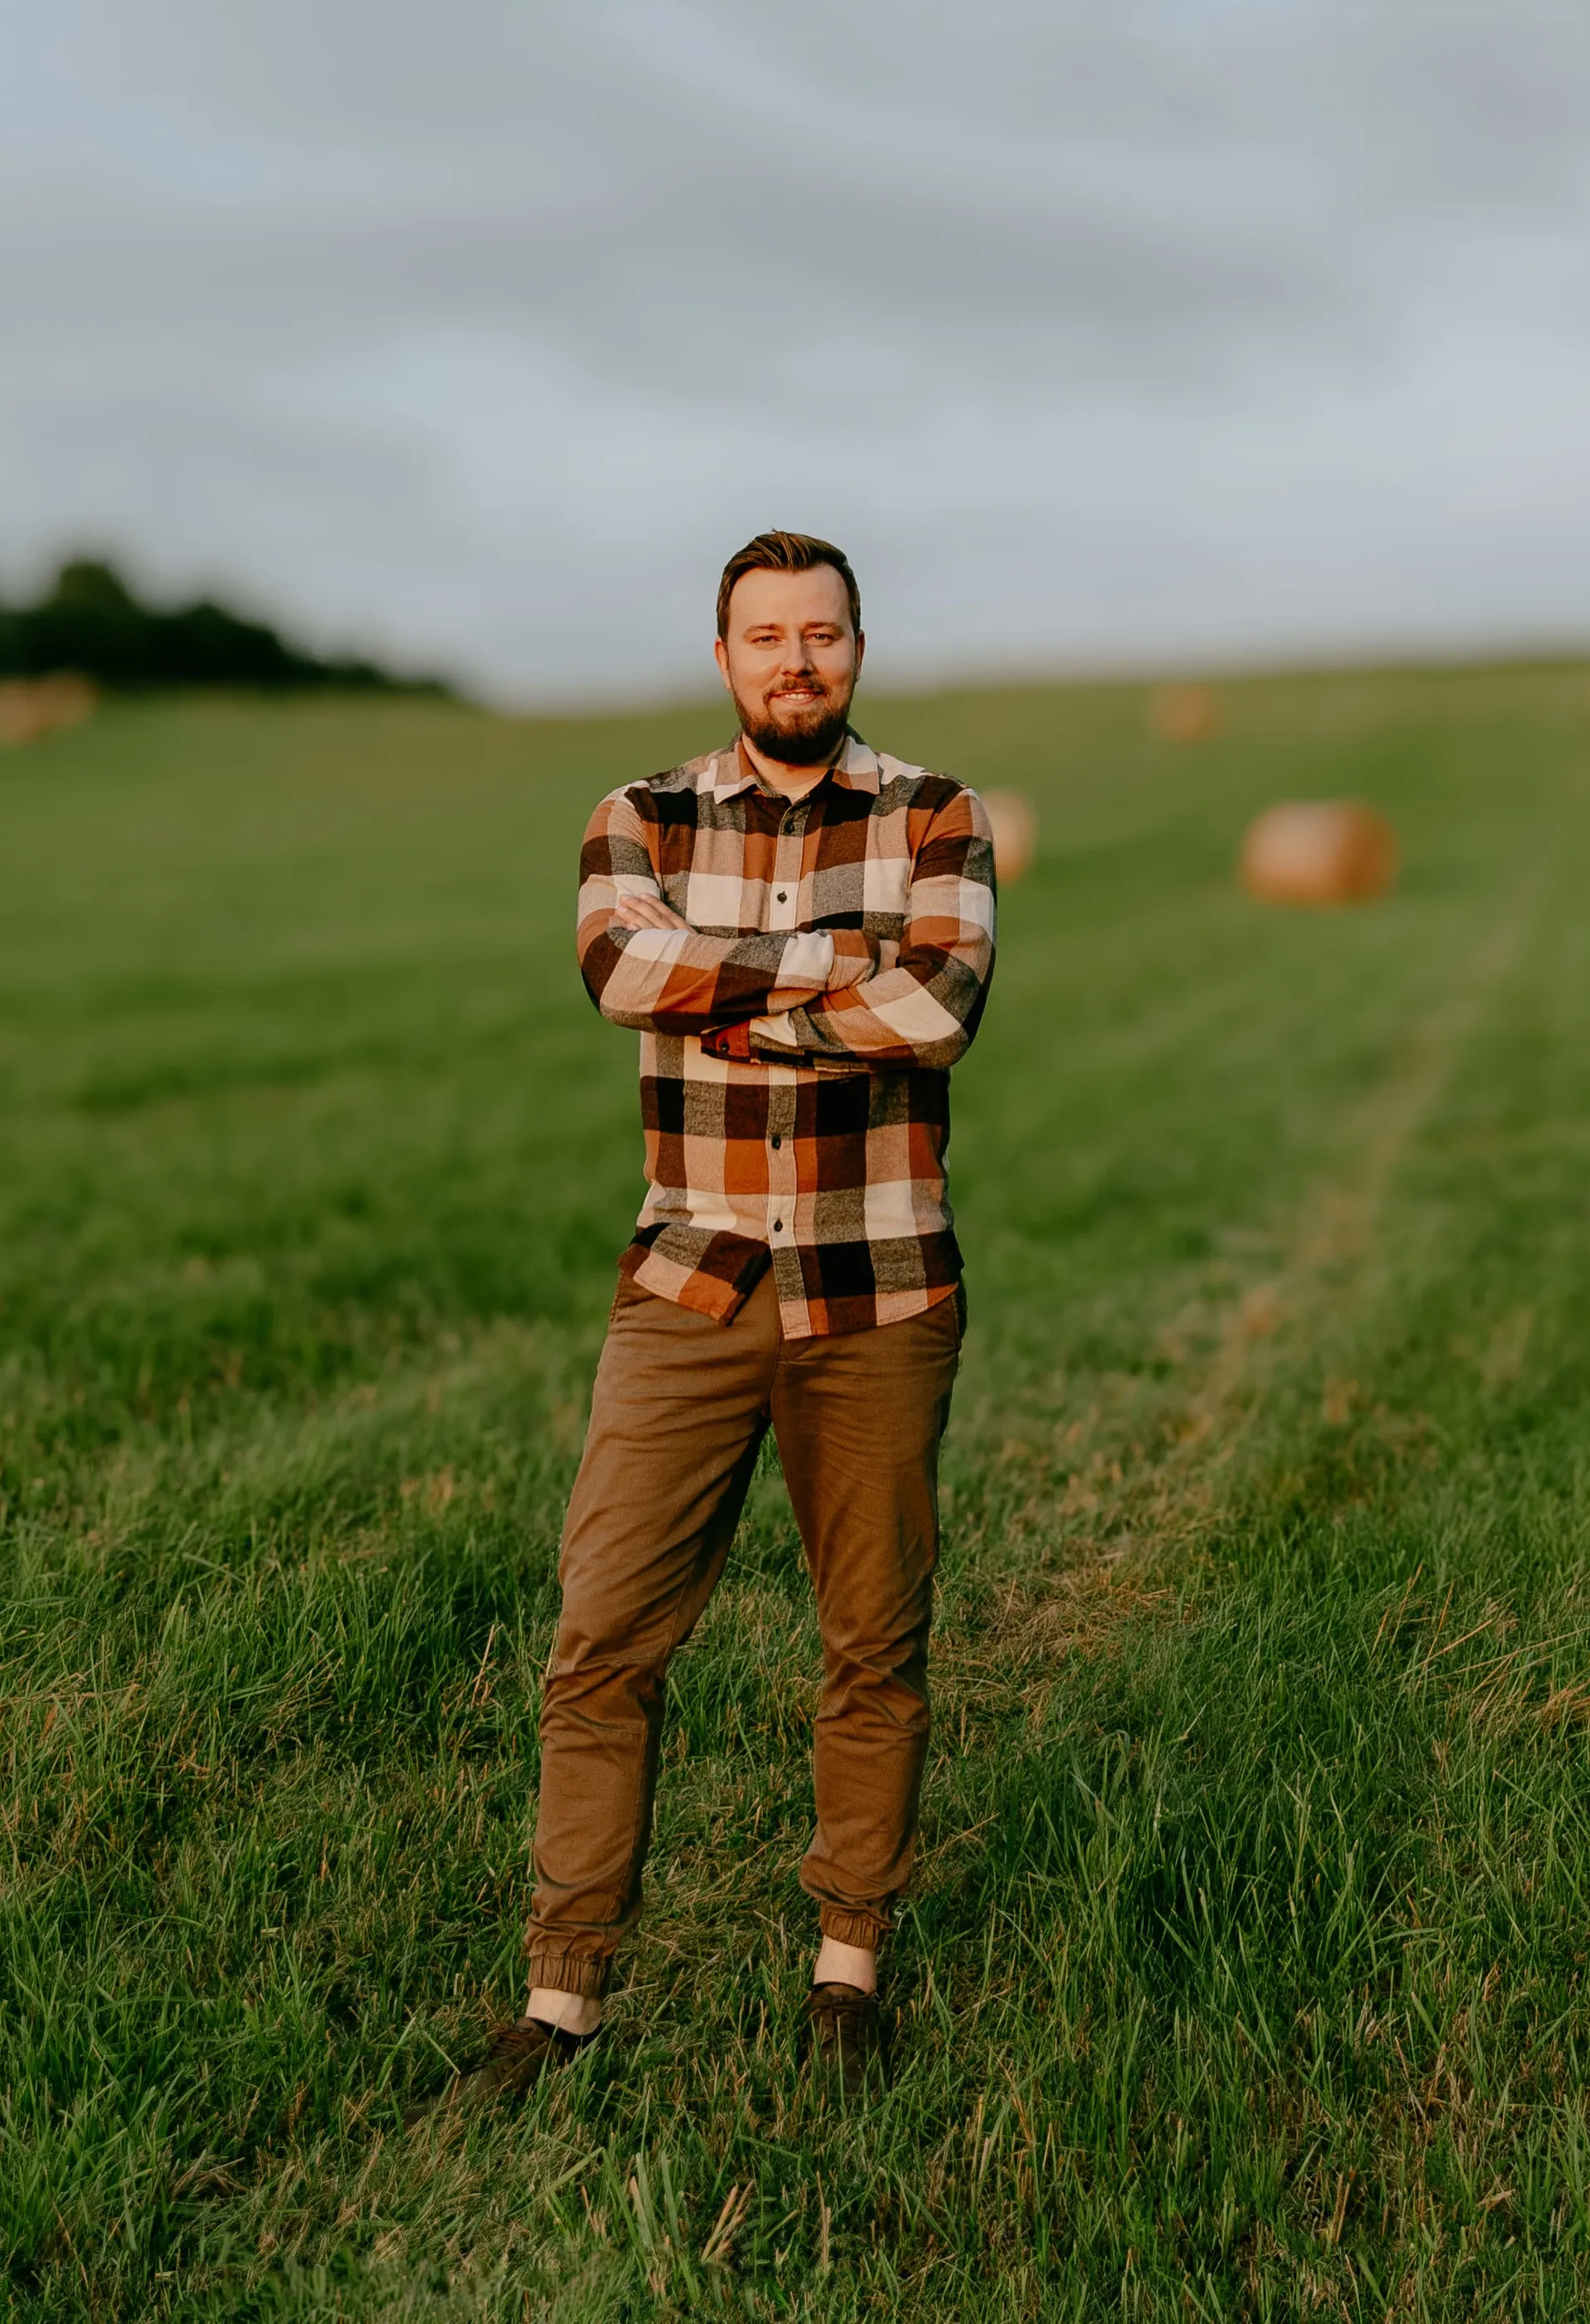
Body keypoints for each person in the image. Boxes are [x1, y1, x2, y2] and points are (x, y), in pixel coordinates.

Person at [458, 529, 997, 2101]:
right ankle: (564, 1993)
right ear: (723, 656)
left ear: (855, 647)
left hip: (879, 1285)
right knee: (601, 1639)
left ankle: (847, 1966)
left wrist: (738, 991)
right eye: (764, 637)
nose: (794, 662)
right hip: (687, 1283)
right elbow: (621, 972)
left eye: (819, 634)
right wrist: (834, 968)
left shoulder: (932, 813)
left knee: (871, 1642)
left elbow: (937, 1010)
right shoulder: (640, 814)